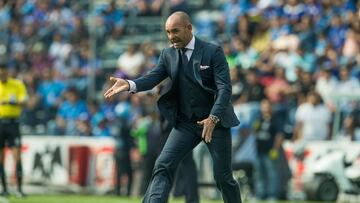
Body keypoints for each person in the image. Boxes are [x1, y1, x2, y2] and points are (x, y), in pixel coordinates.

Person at [104, 11, 241, 203]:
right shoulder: (167, 54)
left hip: (215, 123)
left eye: (175, 31)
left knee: (223, 178)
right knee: (163, 165)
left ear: (189, 28)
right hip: (186, 123)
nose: (171, 36)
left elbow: (225, 89)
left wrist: (213, 117)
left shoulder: (212, 51)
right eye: (168, 32)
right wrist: (130, 84)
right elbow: (153, 78)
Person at [0, 64, 27, 197]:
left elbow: (24, 101)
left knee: (17, 155)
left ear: (7, 73)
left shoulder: (17, 85)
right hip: (0, 123)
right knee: (1, 158)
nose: (2, 76)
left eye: (3, 73)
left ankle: (19, 189)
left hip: (13, 123)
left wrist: (10, 102)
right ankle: (4, 189)